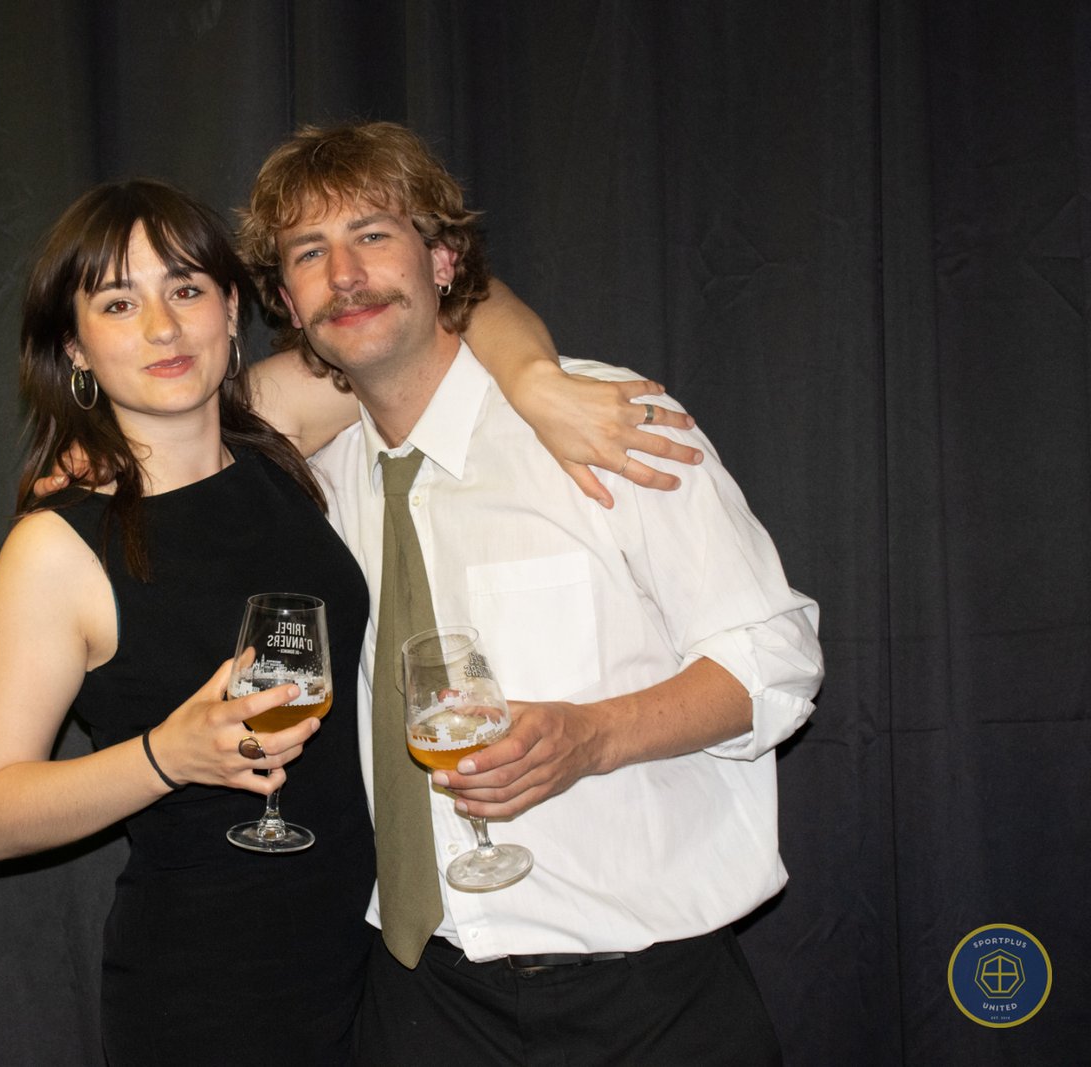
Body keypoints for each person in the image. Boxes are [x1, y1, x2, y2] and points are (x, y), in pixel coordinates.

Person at [0, 179, 694, 1065]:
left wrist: (537, 383)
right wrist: (166, 755)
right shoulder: (58, 548)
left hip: (376, 969)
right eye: (118, 303)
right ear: (75, 346)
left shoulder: (275, 431)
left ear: (232, 309)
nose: (162, 327)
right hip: (212, 991)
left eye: (185, 289)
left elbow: (449, 302)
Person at [238, 122, 825, 1064]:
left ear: (443, 259)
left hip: (647, 1000)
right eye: (309, 253)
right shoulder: (312, 486)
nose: (344, 273)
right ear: (284, 298)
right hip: (421, 998)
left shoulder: (604, 422)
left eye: (373, 234)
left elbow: (776, 660)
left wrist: (594, 736)